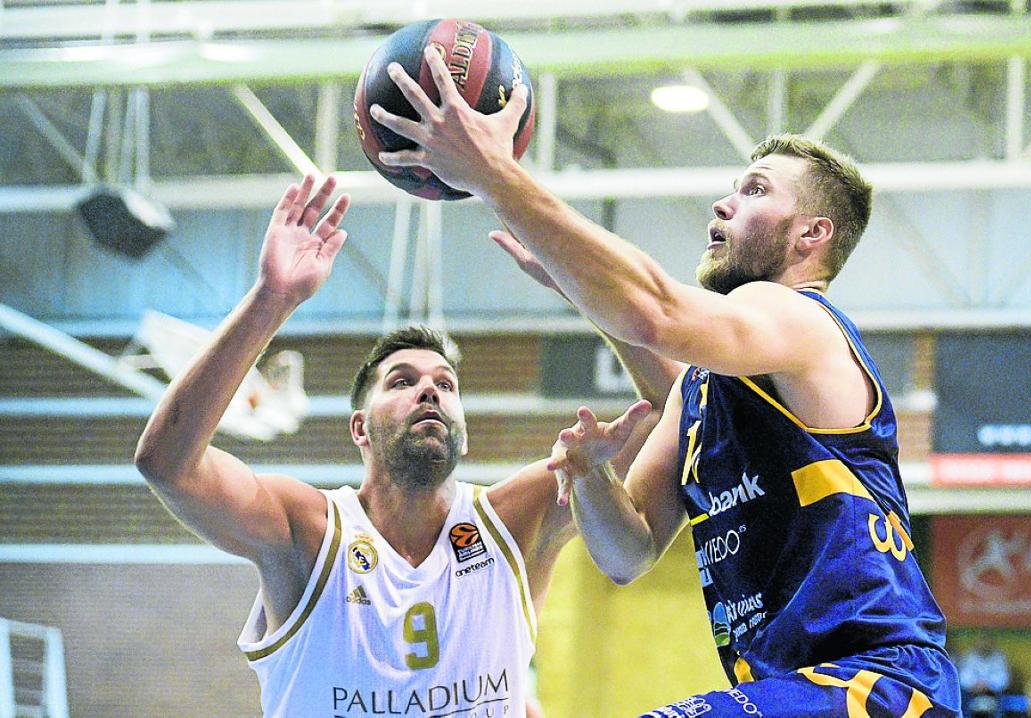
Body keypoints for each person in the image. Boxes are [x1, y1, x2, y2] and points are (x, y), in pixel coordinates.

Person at [368, 48, 961, 715]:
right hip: (789, 692)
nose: (725, 200)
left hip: (877, 684)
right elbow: (629, 551)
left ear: (811, 236)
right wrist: (592, 475)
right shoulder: (703, 389)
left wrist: (496, 175)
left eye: (757, 189)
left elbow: (652, 312)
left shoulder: (797, 317)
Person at [132, 175, 666, 716]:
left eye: (445, 384)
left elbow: (678, 402)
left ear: (462, 428)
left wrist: (578, 285)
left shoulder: (516, 517)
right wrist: (272, 298)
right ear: (360, 429)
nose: (430, 388)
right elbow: (167, 465)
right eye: (402, 381)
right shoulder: (308, 530)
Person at [957, 633, 1011, 717]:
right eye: (982, 642)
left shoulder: (999, 657)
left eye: (987, 643)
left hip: (993, 694)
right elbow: (963, 677)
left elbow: (1003, 679)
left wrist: (988, 685)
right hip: (972, 694)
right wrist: (975, 684)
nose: (984, 645)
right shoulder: (969, 656)